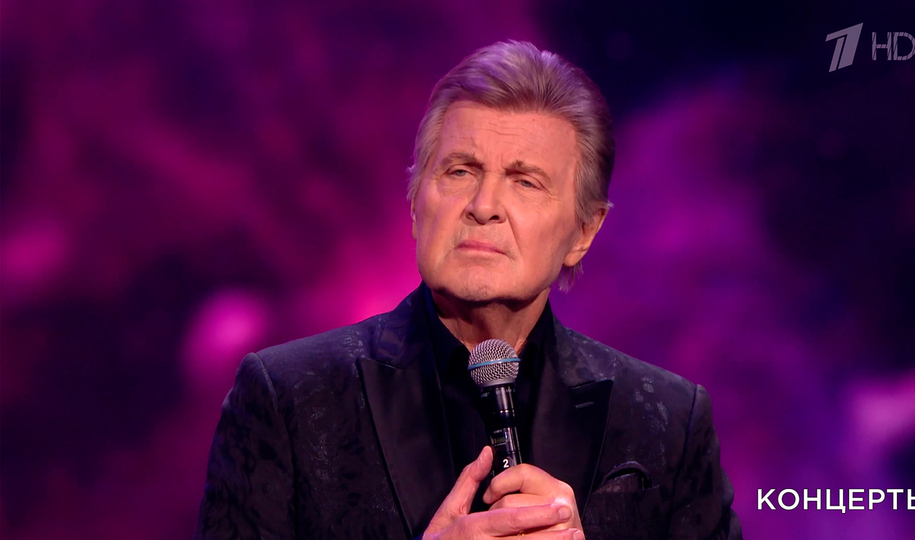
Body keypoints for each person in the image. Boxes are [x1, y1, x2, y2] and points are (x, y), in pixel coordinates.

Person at [193, 40, 741, 540]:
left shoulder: (667, 422)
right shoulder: (286, 396)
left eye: (525, 182)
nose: (483, 206)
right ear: (416, 203)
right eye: (460, 171)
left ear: (583, 232)